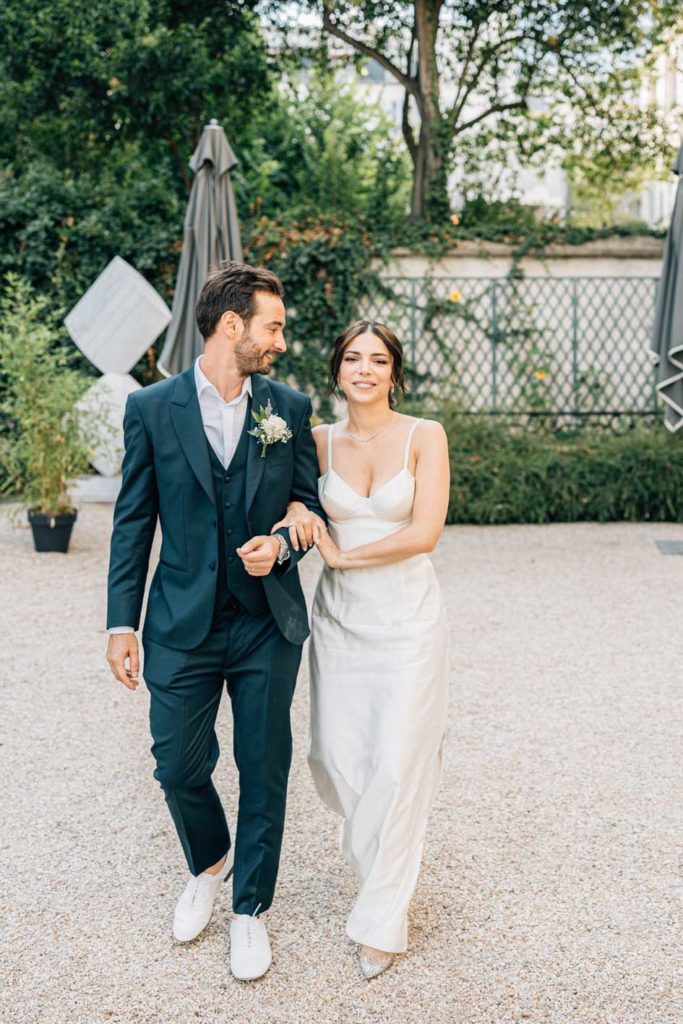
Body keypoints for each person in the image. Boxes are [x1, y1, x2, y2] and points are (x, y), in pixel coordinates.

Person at [105, 261, 324, 982]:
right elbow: (134, 522)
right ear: (232, 326)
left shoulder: (287, 408)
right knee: (176, 765)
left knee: (264, 767)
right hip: (179, 620)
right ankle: (208, 860)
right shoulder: (151, 408)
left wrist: (284, 542)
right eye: (274, 327)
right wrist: (120, 623)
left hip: (265, 621)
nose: (281, 341)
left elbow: (307, 508)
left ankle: (249, 911)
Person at [277, 320, 450, 980]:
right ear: (337, 369)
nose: (365, 369)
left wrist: (343, 557)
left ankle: (382, 917)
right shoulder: (314, 442)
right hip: (341, 625)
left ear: (394, 372)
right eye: (353, 357)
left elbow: (424, 531)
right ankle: (379, 870)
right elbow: (291, 508)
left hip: (408, 620)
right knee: (338, 758)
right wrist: (297, 521)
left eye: (378, 360)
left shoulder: (423, 435)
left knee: (399, 764)